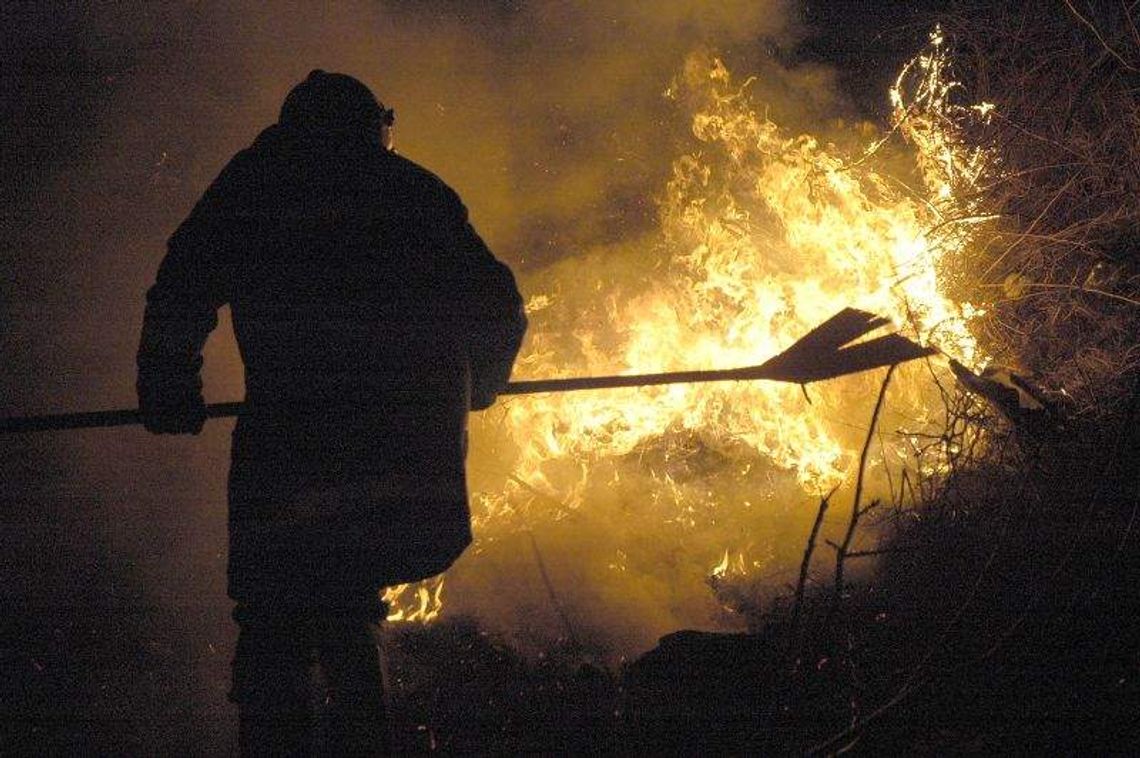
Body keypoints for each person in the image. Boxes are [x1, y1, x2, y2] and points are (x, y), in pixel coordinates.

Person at [136, 70, 527, 755]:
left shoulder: (257, 184)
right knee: (347, 609)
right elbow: (496, 302)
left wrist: (170, 390)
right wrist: (479, 386)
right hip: (396, 447)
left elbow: (182, 286)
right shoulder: (412, 191)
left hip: (291, 443)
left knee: (273, 619)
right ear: (372, 126)